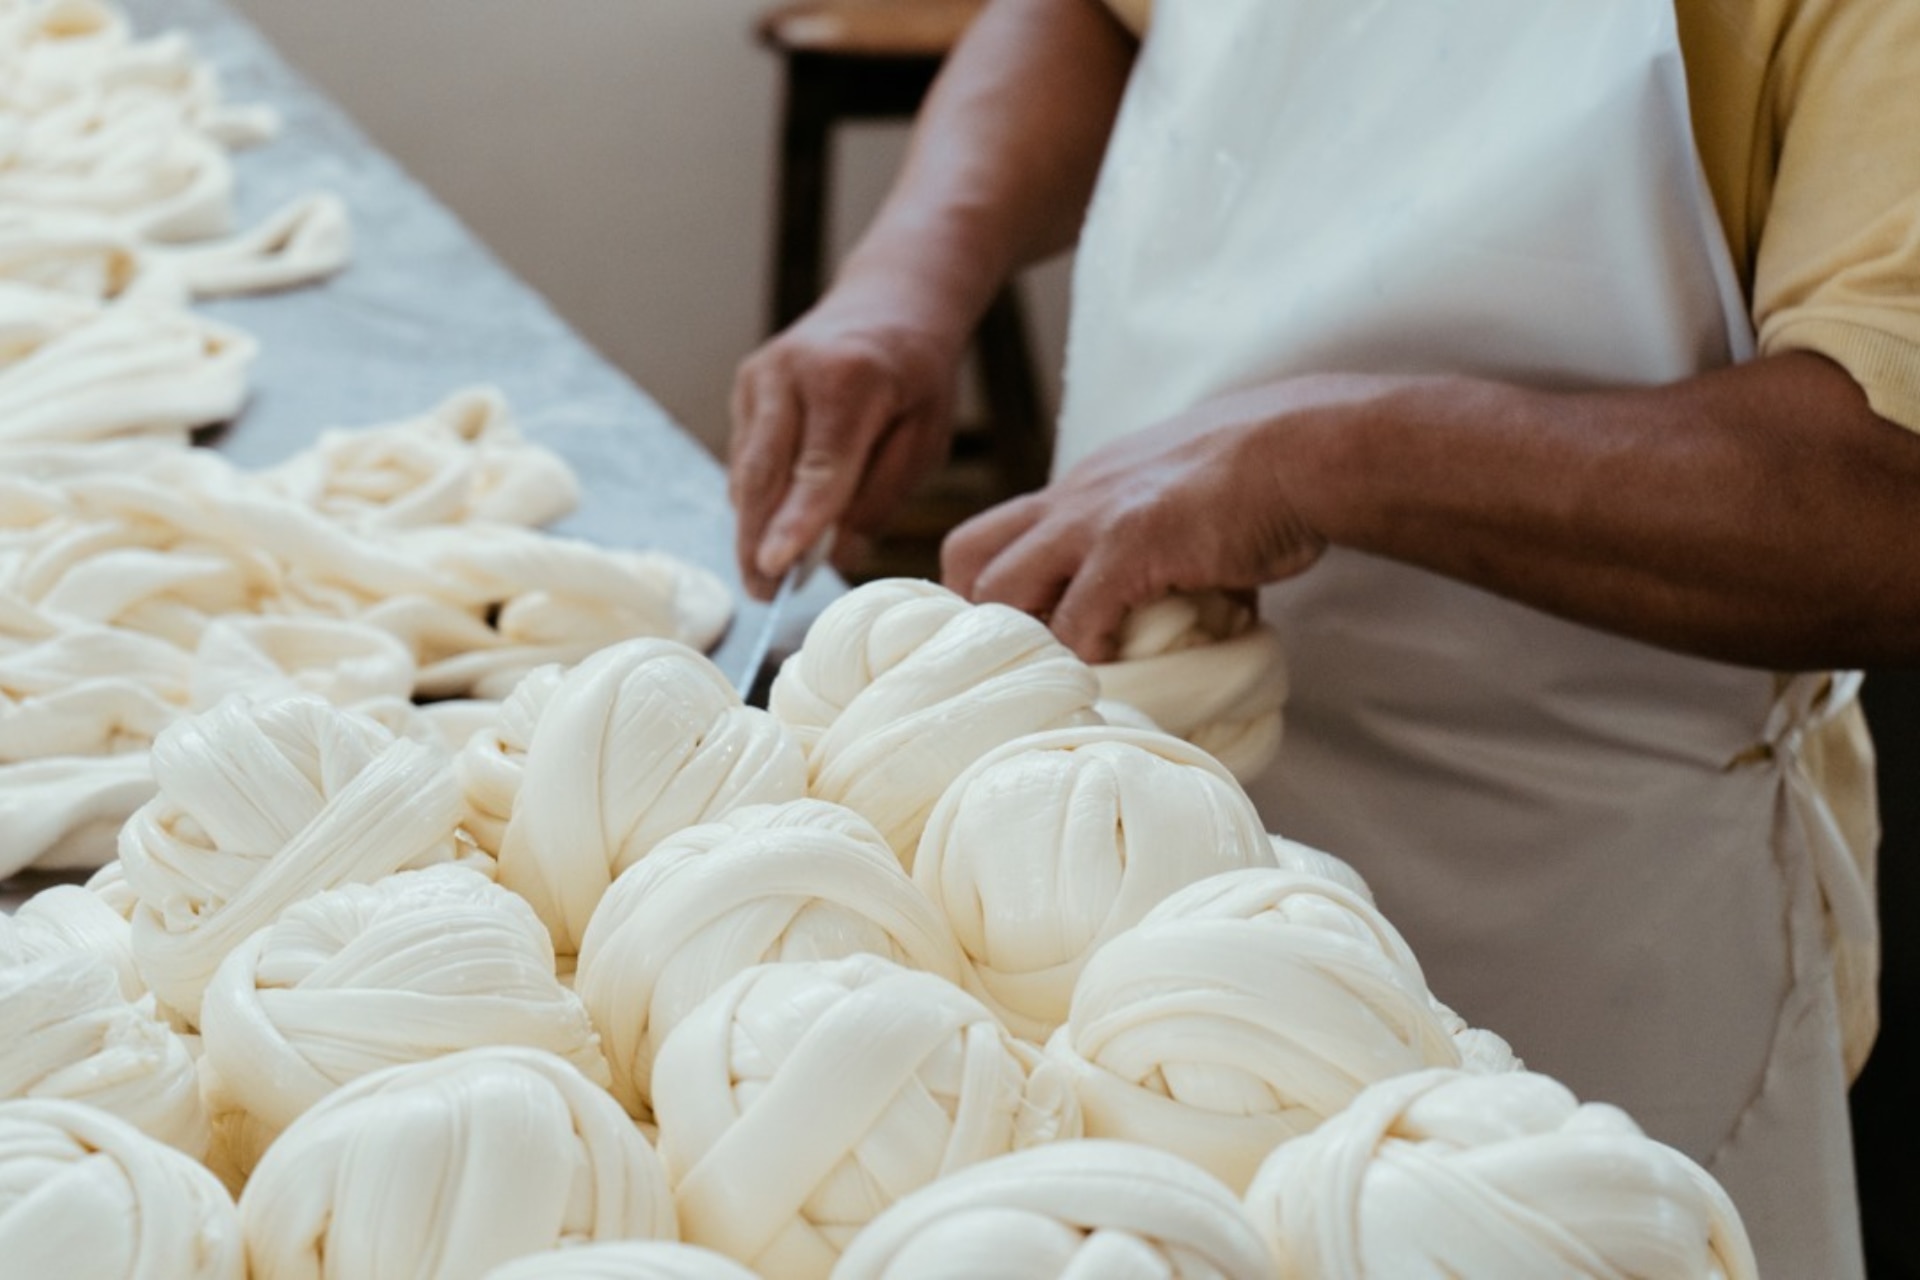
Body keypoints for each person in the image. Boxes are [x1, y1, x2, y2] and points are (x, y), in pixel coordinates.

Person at [727, 2, 1920, 1274]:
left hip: (1591, 905)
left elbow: (1886, 496)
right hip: (1124, 862)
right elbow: (1092, 16)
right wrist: (910, 278)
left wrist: (1321, 456)